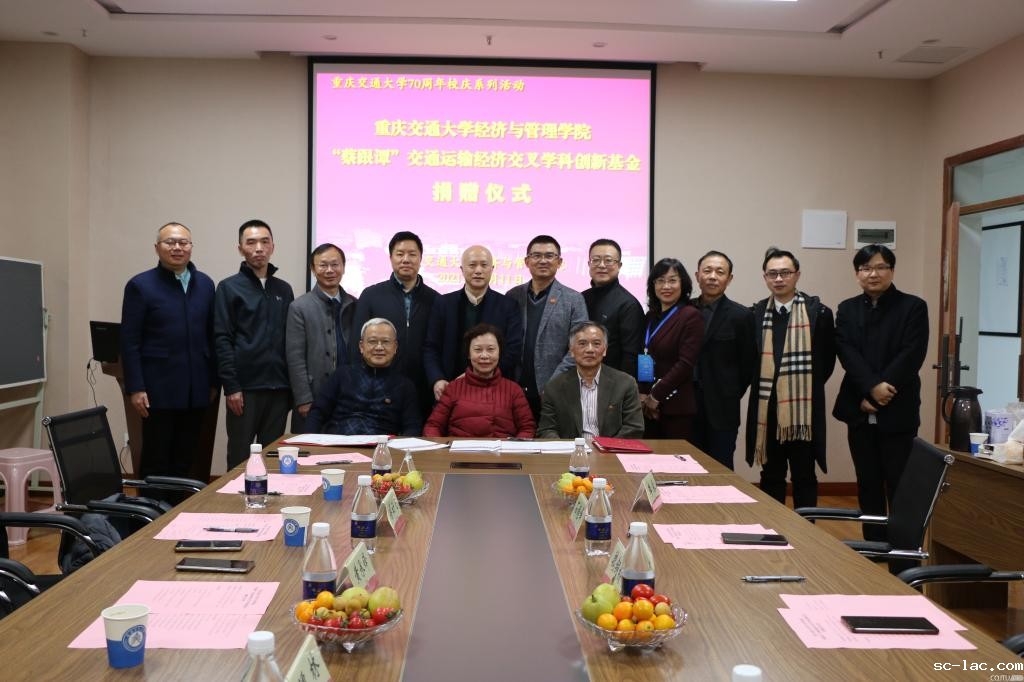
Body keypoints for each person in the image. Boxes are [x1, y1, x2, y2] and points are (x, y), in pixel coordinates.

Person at [833, 244, 928, 541]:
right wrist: (871, 389)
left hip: (898, 407)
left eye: (880, 267)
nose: (873, 274)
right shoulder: (847, 309)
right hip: (859, 408)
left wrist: (881, 389)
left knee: (900, 483)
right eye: (865, 268)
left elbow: (912, 353)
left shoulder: (913, 307)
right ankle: (873, 546)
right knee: (867, 481)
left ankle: (902, 550)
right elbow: (846, 352)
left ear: (892, 271)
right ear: (857, 274)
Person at [120, 222, 217, 484]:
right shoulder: (141, 285)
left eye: (183, 242)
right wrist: (135, 387)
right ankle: (152, 509)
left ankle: (178, 508)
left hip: (196, 389)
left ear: (191, 247)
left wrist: (212, 381)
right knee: (157, 460)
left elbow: (212, 336)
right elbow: (129, 341)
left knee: (185, 459)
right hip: (158, 390)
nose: (177, 247)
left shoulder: (205, 284)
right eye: (170, 242)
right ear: (157, 248)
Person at [746, 247, 835, 509]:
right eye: (772, 274)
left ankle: (806, 530)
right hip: (768, 411)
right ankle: (773, 528)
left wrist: (796, 392)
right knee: (771, 475)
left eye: (785, 273)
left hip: (802, 413)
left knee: (804, 475)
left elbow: (826, 363)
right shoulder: (756, 314)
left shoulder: (818, 313)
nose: (779, 279)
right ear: (764, 277)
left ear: (797, 275)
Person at [214, 219, 294, 468]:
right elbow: (222, 339)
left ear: (272, 247)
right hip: (245, 390)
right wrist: (231, 387)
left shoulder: (283, 289)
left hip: (279, 389)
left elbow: (290, 339)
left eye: (264, 242)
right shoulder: (228, 288)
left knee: (271, 459)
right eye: (251, 243)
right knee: (240, 457)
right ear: (240, 249)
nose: (259, 248)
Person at [350, 231, 438, 421]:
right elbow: (357, 344)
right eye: (400, 254)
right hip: (378, 386)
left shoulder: (435, 299)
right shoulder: (371, 295)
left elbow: (437, 346)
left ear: (421, 258)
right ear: (391, 258)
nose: (406, 259)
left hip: (422, 388)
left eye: (412, 254)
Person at [424, 245, 522, 400]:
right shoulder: (443, 303)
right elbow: (431, 347)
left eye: (484, 265)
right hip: (449, 388)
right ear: (462, 270)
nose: (478, 270)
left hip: (494, 392)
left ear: (492, 269)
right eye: (472, 265)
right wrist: (437, 379)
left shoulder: (508, 306)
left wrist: (479, 376)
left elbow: (513, 350)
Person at [506, 235, 588, 418]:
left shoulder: (574, 299)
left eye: (549, 256)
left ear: (559, 262)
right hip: (514, 388)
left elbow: (579, 346)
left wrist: (554, 383)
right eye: (536, 255)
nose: (543, 260)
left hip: (557, 390)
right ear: (527, 261)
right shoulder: (513, 296)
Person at [690, 250, 757, 470]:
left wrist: (729, 391)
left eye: (720, 272)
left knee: (721, 468)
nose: (712, 276)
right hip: (686, 404)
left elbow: (748, 365)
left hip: (722, 407)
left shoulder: (742, 316)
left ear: (729, 279)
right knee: (686, 466)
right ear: (697, 275)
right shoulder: (684, 309)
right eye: (707, 271)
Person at [285, 243, 357, 434]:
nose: (330, 270)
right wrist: (304, 399)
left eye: (335, 264)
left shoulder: (354, 304)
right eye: (323, 265)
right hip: (314, 395)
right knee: (309, 448)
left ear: (343, 267)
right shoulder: (299, 307)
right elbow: (295, 358)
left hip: (349, 397)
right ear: (313, 269)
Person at [306, 318, 421, 435]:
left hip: (381, 444)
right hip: (338, 441)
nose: (379, 347)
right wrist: (309, 441)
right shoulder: (342, 375)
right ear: (361, 346)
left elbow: (412, 427)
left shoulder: (405, 386)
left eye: (386, 342)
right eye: (372, 341)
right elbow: (317, 413)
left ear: (395, 347)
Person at [423, 323, 535, 438]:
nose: (484, 356)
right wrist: (442, 448)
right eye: (478, 350)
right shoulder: (453, 388)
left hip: (503, 449)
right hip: (460, 449)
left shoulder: (513, 390)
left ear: (499, 352)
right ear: (469, 354)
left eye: (491, 349)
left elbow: (527, 428)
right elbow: (433, 426)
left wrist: (513, 448)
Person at [536, 321, 644, 439]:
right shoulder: (554, 387)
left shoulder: (625, 383)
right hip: (571, 449)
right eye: (582, 344)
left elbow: (634, 428)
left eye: (596, 344)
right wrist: (569, 448)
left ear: (605, 350)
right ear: (571, 350)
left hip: (610, 449)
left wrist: (606, 448)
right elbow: (547, 429)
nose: (590, 350)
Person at [637, 258, 703, 439]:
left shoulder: (691, 316)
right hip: (647, 406)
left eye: (672, 280)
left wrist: (656, 395)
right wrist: (643, 393)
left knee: (675, 456)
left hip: (676, 407)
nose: (666, 286)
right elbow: (644, 355)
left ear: (683, 284)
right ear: (653, 285)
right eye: (660, 281)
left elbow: (685, 364)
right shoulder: (650, 316)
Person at [582, 238, 644, 378]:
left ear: (619, 265)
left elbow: (631, 356)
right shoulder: (580, 298)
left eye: (608, 260)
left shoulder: (628, 304)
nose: (601, 265)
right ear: (589, 264)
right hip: (580, 379)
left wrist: (622, 387)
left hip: (612, 382)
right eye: (596, 260)